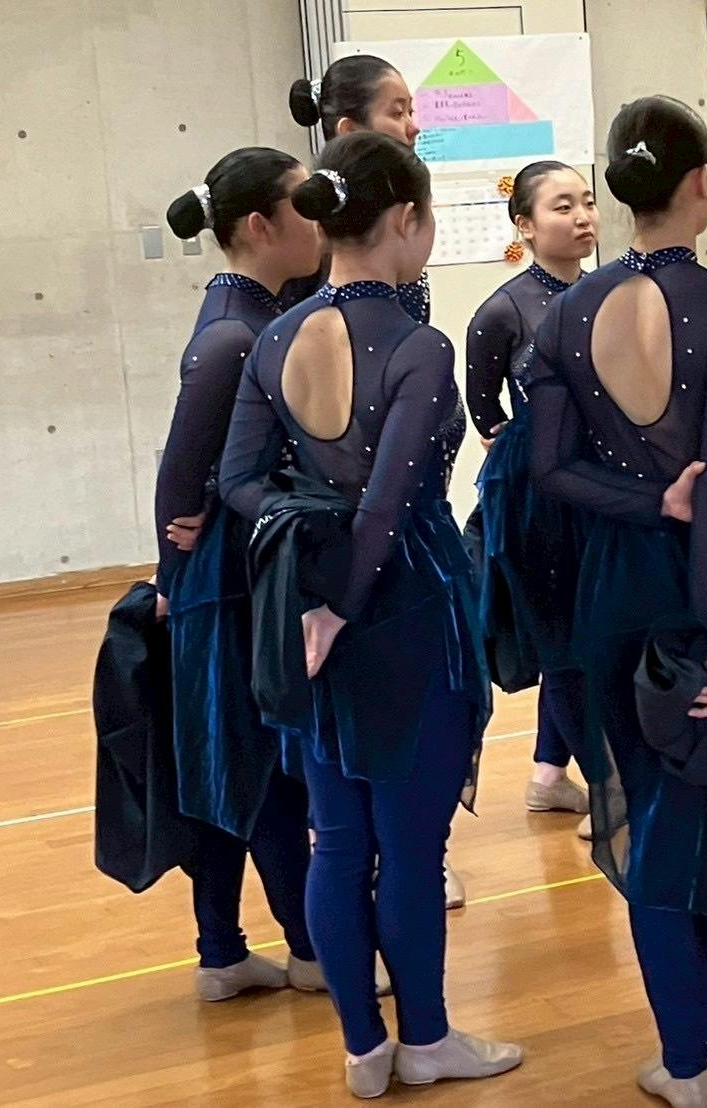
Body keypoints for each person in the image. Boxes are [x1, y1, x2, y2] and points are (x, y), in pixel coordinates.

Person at [219, 132, 522, 1098]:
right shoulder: (417, 345)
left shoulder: (277, 336)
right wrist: (343, 606)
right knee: (411, 848)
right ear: (407, 220)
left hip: (311, 605)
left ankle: (362, 1050)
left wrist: (308, 554)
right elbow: (387, 506)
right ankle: (424, 1038)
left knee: (339, 843)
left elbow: (236, 481)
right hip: (402, 609)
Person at [530, 97, 707, 1107]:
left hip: (616, 581)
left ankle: (688, 1054)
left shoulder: (567, 310)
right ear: (703, 183)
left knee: (654, 811)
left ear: (620, 193)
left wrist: (648, 497)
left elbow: (549, 469)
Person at [291, 53, 466, 908]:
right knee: (367, 800)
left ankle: (406, 858)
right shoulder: (324, 269)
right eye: (397, 108)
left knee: (374, 798)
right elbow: (372, 468)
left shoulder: (399, 301)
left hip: (372, 539)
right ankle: (392, 868)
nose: (413, 122)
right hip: (363, 546)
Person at [156, 148, 326, 1001]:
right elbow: (179, 480)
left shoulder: (254, 314)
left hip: (228, 574)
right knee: (262, 768)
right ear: (260, 225)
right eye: (304, 205)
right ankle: (307, 949)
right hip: (227, 584)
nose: (320, 219)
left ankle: (222, 952)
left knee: (225, 763)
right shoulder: (236, 333)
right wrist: (173, 572)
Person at [466, 161, 598, 829]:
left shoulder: (609, 290)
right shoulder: (504, 309)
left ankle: (549, 772)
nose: (581, 217)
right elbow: (481, 402)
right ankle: (608, 786)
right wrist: (515, 447)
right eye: (561, 207)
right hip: (540, 499)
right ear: (524, 224)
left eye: (587, 202)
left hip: (604, 486)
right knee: (564, 640)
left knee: (591, 632)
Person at [285, 55, 430, 324]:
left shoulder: (397, 203)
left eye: (410, 112)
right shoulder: (324, 223)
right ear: (350, 129)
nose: (414, 128)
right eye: (397, 113)